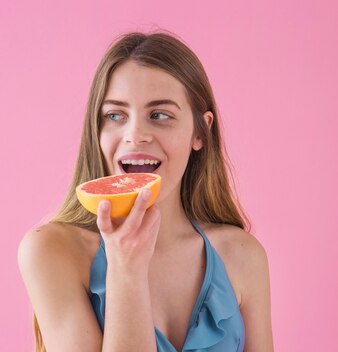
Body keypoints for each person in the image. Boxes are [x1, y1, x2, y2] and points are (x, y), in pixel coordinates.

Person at [17, 30, 274, 351]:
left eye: (159, 115)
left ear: (200, 132)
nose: (135, 134)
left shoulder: (243, 255)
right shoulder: (52, 250)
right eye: (115, 115)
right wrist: (126, 268)